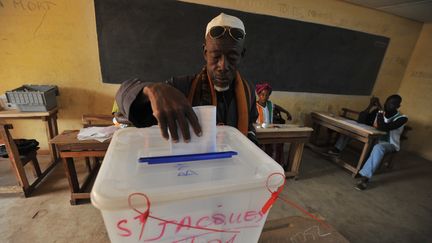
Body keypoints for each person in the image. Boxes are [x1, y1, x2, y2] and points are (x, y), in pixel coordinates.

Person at [115, 13, 258, 143]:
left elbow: (250, 126)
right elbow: (122, 95)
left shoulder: (249, 91)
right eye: (215, 56)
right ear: (205, 53)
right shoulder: (180, 87)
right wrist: (150, 90)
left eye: (232, 57)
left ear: (242, 55)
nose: (223, 65)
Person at [328, 95, 408, 190]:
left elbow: (384, 127)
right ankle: (337, 150)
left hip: (388, 143)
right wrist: (370, 106)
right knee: (353, 130)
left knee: (378, 148)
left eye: (392, 104)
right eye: (387, 102)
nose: (388, 105)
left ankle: (365, 178)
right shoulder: (378, 112)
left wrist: (380, 111)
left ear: (398, 106)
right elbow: (361, 120)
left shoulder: (402, 118)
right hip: (372, 137)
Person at [255, 82, 292, 163]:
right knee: (259, 149)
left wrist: (287, 112)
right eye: (262, 94)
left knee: (274, 145)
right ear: (258, 95)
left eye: (267, 95)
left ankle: (273, 162)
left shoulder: (269, 104)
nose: (264, 97)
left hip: (269, 130)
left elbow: (277, 107)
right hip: (259, 130)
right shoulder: (255, 106)